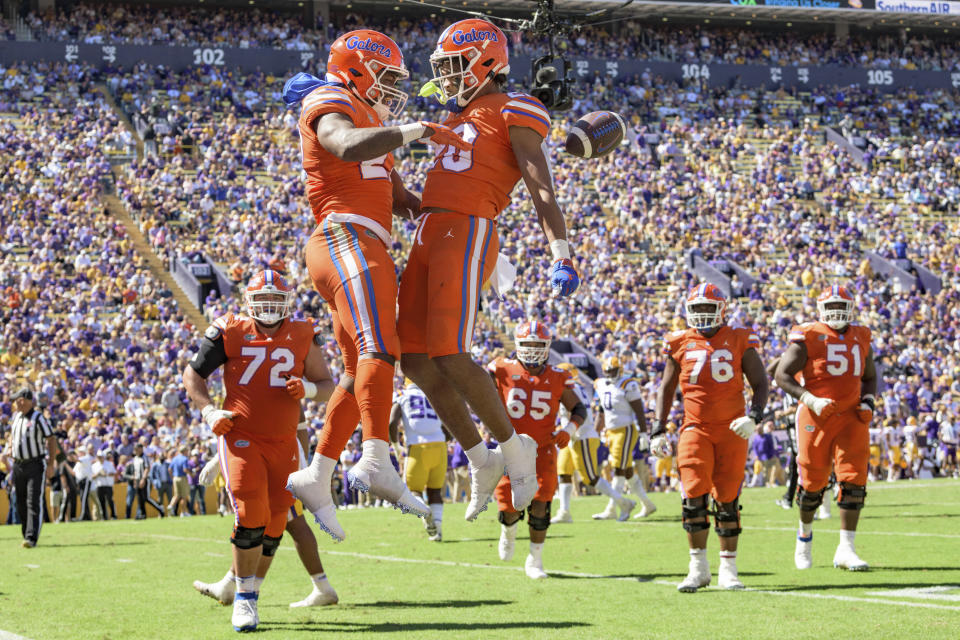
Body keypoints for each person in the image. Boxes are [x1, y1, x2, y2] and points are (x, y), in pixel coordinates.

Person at [283, 29, 467, 540]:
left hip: (365, 243)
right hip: (345, 238)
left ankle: (318, 475)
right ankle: (375, 458)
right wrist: (417, 131)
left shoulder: (372, 121)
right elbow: (342, 144)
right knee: (381, 347)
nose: (391, 90)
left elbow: (402, 198)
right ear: (356, 69)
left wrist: (466, 204)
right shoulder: (332, 100)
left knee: (353, 370)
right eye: (385, 78)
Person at [397, 18, 579, 530]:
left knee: (451, 352)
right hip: (431, 228)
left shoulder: (514, 108)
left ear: (486, 64)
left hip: (469, 226)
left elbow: (540, 186)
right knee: (413, 358)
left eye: (455, 67)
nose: (448, 79)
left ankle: (515, 451)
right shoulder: (464, 112)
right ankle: (482, 458)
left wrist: (560, 251)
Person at [182, 269, 335, 632]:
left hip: (284, 442)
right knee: (251, 513)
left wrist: (309, 392)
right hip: (242, 437)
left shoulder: (301, 333)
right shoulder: (230, 330)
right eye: (261, 301)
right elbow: (193, 375)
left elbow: (328, 383)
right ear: (249, 303)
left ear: (286, 304)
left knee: (277, 523)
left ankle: (246, 591)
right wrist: (209, 411)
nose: (267, 308)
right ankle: (245, 599)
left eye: (274, 301)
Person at [651, 284, 768, 592]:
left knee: (728, 499)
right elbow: (666, 388)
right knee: (693, 496)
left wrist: (754, 417)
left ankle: (728, 568)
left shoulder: (739, 338)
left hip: (733, 428)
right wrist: (658, 427)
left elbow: (760, 382)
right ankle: (698, 567)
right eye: (697, 308)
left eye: (707, 308)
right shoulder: (678, 341)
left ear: (721, 310)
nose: (702, 314)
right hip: (695, 426)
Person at [775, 285, 877, 572]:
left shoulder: (861, 335)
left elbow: (870, 376)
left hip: (852, 416)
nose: (835, 313)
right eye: (829, 307)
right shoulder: (807, 335)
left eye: (840, 306)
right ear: (820, 309)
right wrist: (810, 399)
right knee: (812, 483)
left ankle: (846, 548)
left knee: (854, 481)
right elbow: (782, 375)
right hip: (816, 415)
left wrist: (868, 401)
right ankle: (804, 538)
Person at [193, 421, 337, 609]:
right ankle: (231, 585)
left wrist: (297, 462)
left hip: (282, 456)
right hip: (276, 454)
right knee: (264, 520)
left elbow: (296, 420)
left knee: (290, 522)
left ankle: (250, 590)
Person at [488, 320, 587, 579]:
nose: (532, 350)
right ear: (517, 345)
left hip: (542, 449)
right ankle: (508, 531)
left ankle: (535, 559)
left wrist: (569, 430)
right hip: (510, 448)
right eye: (528, 344)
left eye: (538, 345)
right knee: (510, 508)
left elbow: (579, 409)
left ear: (547, 347)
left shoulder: (557, 375)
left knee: (541, 503)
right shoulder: (500, 369)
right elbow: (476, 388)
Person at [552, 362, 636, 524]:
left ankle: (624, 503)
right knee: (563, 472)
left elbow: (581, 415)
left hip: (581, 435)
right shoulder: (574, 387)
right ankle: (564, 511)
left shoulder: (572, 388)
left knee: (589, 477)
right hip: (571, 435)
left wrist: (569, 432)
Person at [592, 357, 656, 520]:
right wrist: (594, 432)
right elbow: (601, 412)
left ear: (619, 370)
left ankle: (613, 507)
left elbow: (639, 411)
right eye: (607, 371)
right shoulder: (601, 384)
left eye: (612, 371)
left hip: (626, 430)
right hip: (610, 431)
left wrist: (643, 434)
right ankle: (647, 504)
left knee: (618, 468)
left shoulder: (628, 384)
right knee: (626, 470)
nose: (610, 374)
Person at [389, 379, 447, 541]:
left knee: (414, 491)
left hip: (418, 447)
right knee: (435, 490)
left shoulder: (402, 394)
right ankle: (438, 531)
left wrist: (396, 445)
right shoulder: (432, 394)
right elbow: (446, 424)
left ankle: (425, 513)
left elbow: (392, 422)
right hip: (440, 445)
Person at [5, 389, 57, 547]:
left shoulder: (38, 418)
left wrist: (50, 464)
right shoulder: (16, 417)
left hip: (35, 464)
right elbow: (13, 437)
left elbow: (51, 439)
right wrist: (10, 447)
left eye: (17, 400)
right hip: (18, 464)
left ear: (25, 400)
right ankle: (26, 534)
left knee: (33, 500)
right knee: (20, 501)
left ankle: (31, 537)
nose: (15, 403)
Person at [92, 449, 118, 520]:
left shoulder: (109, 464)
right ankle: (104, 516)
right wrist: (98, 474)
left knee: (110, 500)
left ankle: (113, 515)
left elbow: (114, 473)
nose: (100, 458)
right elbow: (92, 476)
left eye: (101, 456)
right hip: (99, 485)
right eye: (99, 457)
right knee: (101, 501)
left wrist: (106, 474)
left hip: (108, 485)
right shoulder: (94, 465)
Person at [169, 445, 192, 517]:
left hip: (175, 478)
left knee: (176, 495)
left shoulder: (175, 458)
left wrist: (172, 477)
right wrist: (191, 474)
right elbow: (185, 469)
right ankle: (183, 512)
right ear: (185, 451)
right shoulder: (185, 459)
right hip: (182, 478)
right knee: (184, 496)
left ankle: (170, 506)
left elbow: (169, 469)